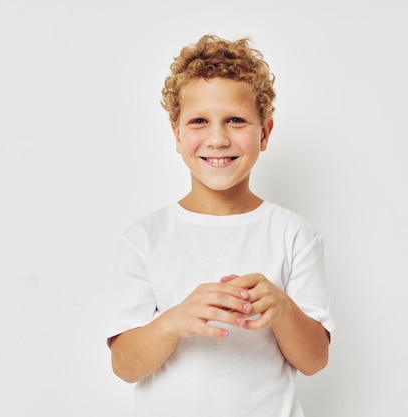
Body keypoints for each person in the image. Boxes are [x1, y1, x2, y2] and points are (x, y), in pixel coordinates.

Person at [106, 34, 335, 417]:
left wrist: (282, 308)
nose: (217, 137)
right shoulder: (145, 237)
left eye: (236, 120)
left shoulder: (295, 235)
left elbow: (314, 361)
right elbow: (125, 366)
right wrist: (175, 320)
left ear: (264, 133)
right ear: (177, 135)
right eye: (199, 121)